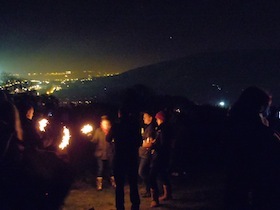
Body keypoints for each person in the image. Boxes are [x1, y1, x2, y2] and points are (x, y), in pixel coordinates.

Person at [225, 86, 280, 210]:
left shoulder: (231, 127)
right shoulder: (259, 133)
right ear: (259, 108)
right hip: (260, 190)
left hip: (238, 189)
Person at [108, 108, 141, 210]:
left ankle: (120, 207)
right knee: (133, 183)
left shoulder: (116, 126)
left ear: (119, 115)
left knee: (119, 185)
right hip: (132, 158)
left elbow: (108, 138)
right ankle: (135, 205)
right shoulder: (134, 126)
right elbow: (139, 141)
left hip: (120, 158)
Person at [149, 111, 173, 207]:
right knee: (163, 174)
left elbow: (163, 145)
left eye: (157, 119)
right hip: (165, 156)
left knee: (151, 176)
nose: (156, 120)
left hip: (160, 156)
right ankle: (168, 194)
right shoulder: (167, 128)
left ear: (161, 119)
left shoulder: (163, 129)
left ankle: (154, 199)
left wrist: (152, 145)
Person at [91, 115, 115, 191]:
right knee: (100, 169)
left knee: (111, 168)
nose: (105, 125)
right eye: (103, 124)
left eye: (106, 124)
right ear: (101, 124)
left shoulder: (112, 131)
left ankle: (113, 182)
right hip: (100, 153)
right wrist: (89, 136)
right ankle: (99, 185)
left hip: (109, 153)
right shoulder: (98, 131)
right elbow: (94, 141)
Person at [138, 112, 156, 198]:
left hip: (146, 154)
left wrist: (140, 143)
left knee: (141, 172)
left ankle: (150, 189)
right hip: (144, 153)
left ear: (151, 118)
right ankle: (149, 189)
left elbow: (149, 144)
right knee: (144, 171)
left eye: (145, 117)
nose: (143, 119)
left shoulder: (150, 129)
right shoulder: (147, 127)